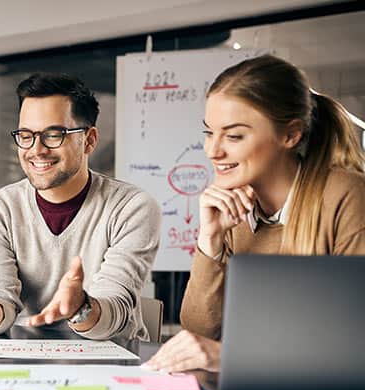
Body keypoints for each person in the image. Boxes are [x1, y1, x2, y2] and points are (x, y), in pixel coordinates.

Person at [144, 54, 365, 373]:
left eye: (233, 136)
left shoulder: (346, 195)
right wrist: (210, 240)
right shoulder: (235, 212)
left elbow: (352, 343)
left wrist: (230, 358)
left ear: (290, 135)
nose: (212, 150)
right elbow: (199, 332)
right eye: (209, 132)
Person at [0, 73, 161, 341]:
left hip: (110, 361)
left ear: (89, 140)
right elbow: (1, 301)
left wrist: (80, 308)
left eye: (53, 134)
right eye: (26, 135)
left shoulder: (132, 208)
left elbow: (115, 310)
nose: (37, 149)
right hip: (23, 362)